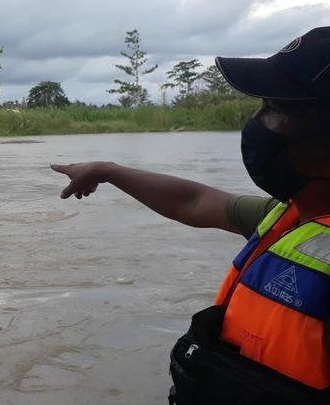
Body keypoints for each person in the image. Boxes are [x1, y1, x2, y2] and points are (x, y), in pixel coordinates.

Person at [52, 26, 330, 404]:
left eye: (276, 109)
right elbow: (195, 202)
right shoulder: (291, 217)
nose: (257, 124)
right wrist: (108, 171)